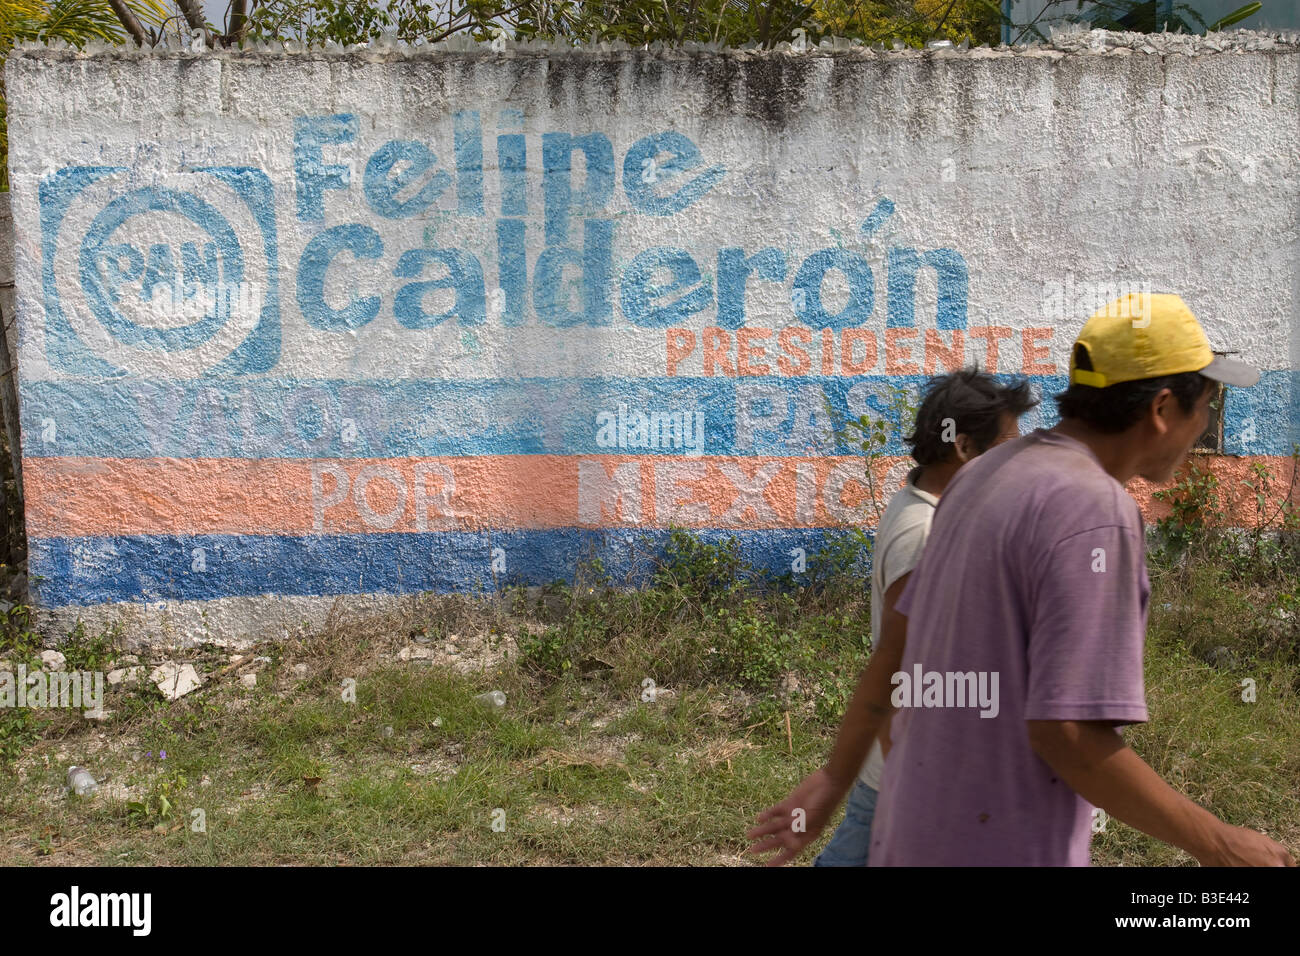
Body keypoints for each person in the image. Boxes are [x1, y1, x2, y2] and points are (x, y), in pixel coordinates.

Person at [867, 293, 1291, 866]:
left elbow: (904, 662)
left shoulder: (983, 473)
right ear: (1163, 407)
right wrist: (1219, 843)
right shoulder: (1094, 511)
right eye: (1205, 409)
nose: (1201, 429)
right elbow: (1066, 733)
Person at [747, 366, 1037, 866]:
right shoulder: (927, 534)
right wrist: (838, 776)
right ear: (964, 446)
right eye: (1008, 446)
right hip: (915, 779)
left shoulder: (928, 507)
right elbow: (897, 664)